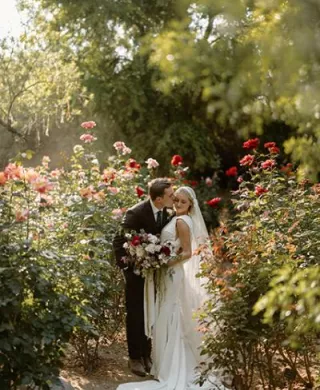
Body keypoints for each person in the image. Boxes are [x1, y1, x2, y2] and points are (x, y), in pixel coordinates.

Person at [117, 186, 227, 390]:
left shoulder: (182, 222)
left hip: (173, 271)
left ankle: (172, 364)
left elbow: (187, 253)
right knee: (168, 311)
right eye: (175, 200)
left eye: (182, 202)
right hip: (169, 273)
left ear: (190, 205)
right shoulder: (176, 217)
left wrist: (163, 262)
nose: (176, 204)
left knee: (171, 312)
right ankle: (161, 361)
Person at [113, 178, 174, 377]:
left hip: (154, 273)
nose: (173, 198)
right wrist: (127, 269)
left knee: (152, 312)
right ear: (158, 199)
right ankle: (135, 357)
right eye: (170, 195)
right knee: (136, 313)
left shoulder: (167, 213)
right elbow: (118, 240)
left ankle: (147, 354)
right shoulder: (136, 212)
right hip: (135, 273)